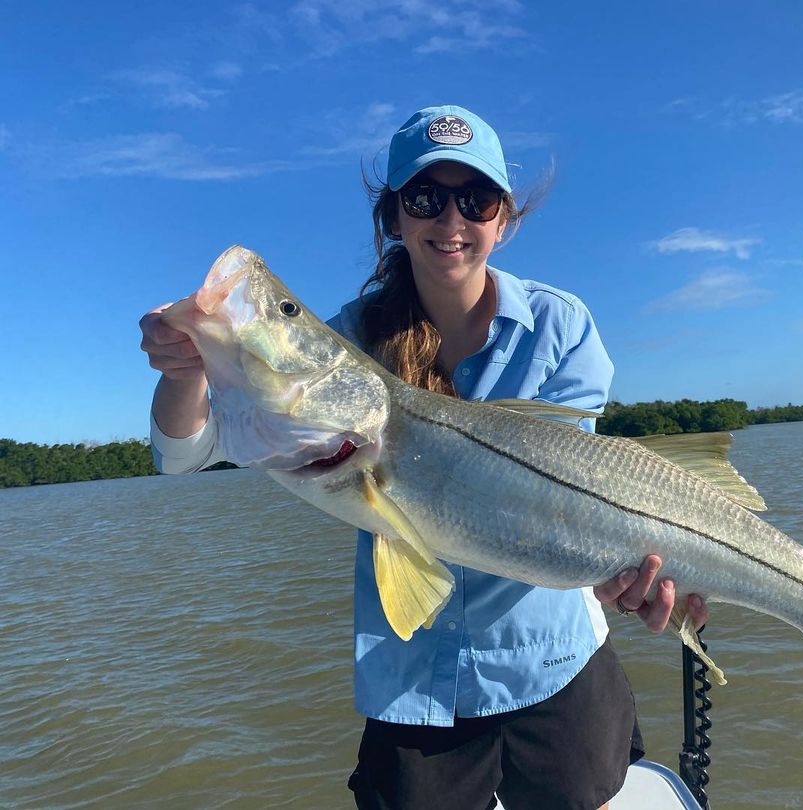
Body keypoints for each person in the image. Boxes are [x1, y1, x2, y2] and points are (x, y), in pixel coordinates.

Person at [139, 104, 708, 810]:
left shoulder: (561, 326)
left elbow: (584, 493)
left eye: (476, 199)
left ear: (505, 220)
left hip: (556, 660)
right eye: (425, 198)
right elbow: (182, 451)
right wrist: (184, 371)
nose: (451, 220)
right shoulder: (351, 338)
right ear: (394, 218)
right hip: (415, 678)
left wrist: (626, 578)